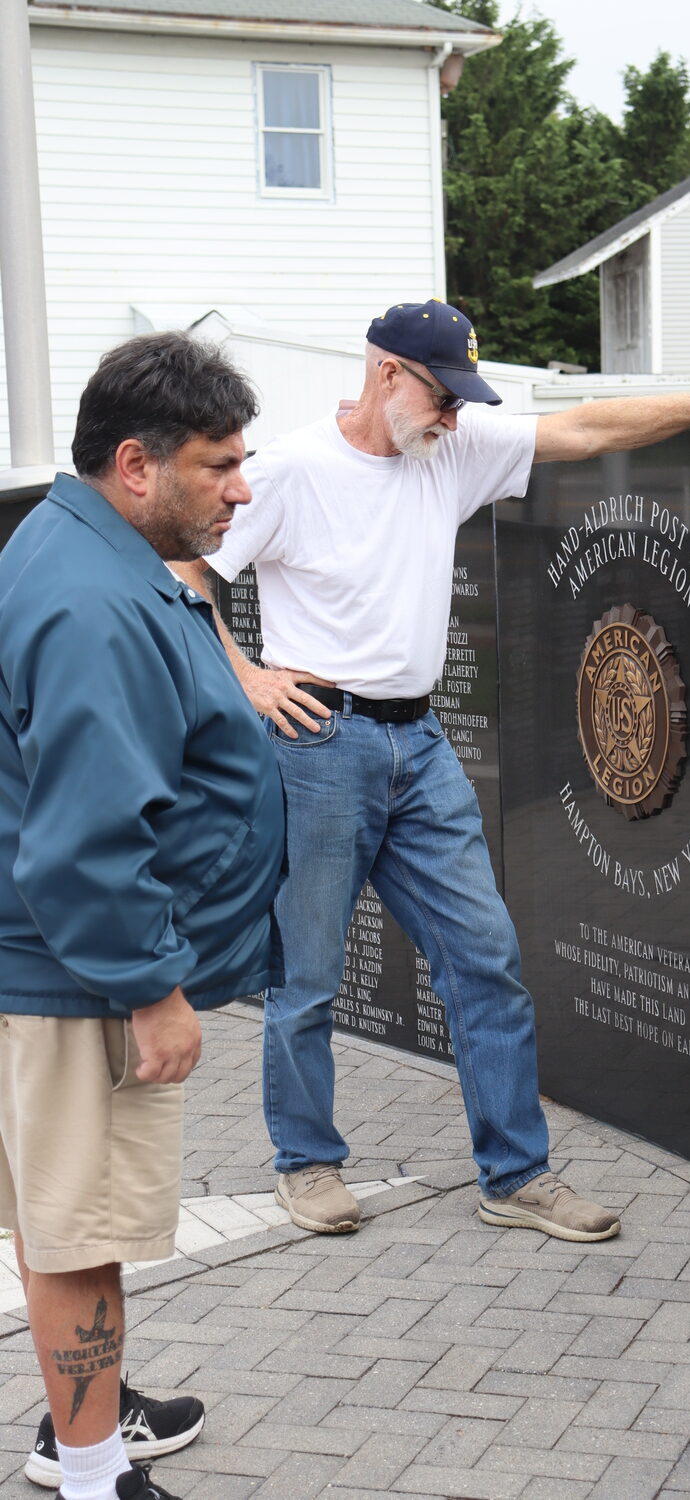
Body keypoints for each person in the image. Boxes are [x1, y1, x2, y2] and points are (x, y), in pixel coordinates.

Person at [177, 299, 690, 1245]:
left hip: (421, 747)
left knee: (486, 961)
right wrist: (247, 677)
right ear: (386, 373)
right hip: (321, 744)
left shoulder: (451, 447)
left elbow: (583, 427)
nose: (452, 417)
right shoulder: (288, 473)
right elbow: (191, 568)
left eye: (460, 402)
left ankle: (516, 1176)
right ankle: (307, 1164)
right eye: (441, 395)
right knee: (308, 974)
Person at [0, 333, 286, 1500]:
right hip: (82, 981)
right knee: (79, 1230)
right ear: (136, 464)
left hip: (66, 966)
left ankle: (88, 1418)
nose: (241, 487)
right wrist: (152, 989)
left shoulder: (90, 552)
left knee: (66, 1217)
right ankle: (87, 1474)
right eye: (218, 466)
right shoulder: (91, 602)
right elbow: (87, 835)